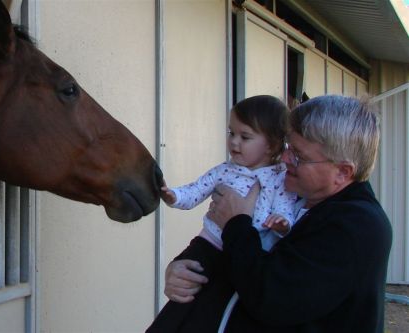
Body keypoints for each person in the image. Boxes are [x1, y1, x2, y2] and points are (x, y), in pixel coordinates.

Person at [147, 95, 392, 333]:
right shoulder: (298, 195)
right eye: (288, 147)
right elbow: (230, 249)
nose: (285, 159)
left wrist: (236, 223)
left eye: (299, 156)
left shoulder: (356, 227)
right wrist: (183, 268)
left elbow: (273, 298)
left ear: (343, 172)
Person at [147, 95, 297, 333]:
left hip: (246, 252)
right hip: (207, 245)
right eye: (231, 133)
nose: (234, 142)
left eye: (245, 137)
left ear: (272, 144)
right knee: (183, 296)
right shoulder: (224, 170)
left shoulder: (280, 177)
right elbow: (196, 189)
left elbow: (284, 206)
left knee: (216, 304)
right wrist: (174, 196)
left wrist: (283, 222)